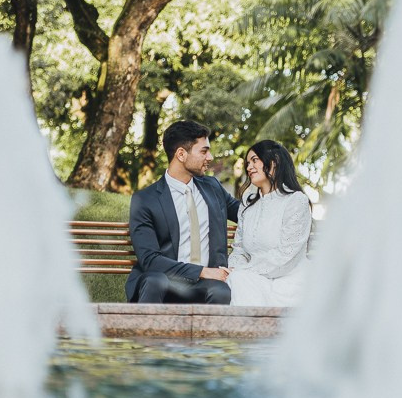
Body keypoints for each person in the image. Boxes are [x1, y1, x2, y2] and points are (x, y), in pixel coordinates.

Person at [126, 120, 241, 304]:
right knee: (154, 281)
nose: (210, 157)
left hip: (207, 285)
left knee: (221, 291)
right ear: (181, 154)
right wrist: (202, 271)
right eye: (204, 151)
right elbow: (150, 260)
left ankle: (209, 334)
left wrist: (267, 183)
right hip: (164, 280)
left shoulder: (213, 188)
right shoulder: (145, 199)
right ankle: (146, 333)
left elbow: (246, 214)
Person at [227, 140, 312, 306]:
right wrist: (238, 270)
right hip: (252, 280)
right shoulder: (247, 205)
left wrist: (246, 271)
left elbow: (287, 254)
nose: (249, 167)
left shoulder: (295, 201)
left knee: (242, 281)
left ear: (274, 162)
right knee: (238, 280)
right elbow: (239, 251)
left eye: (255, 160)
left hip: (290, 283)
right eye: (247, 163)